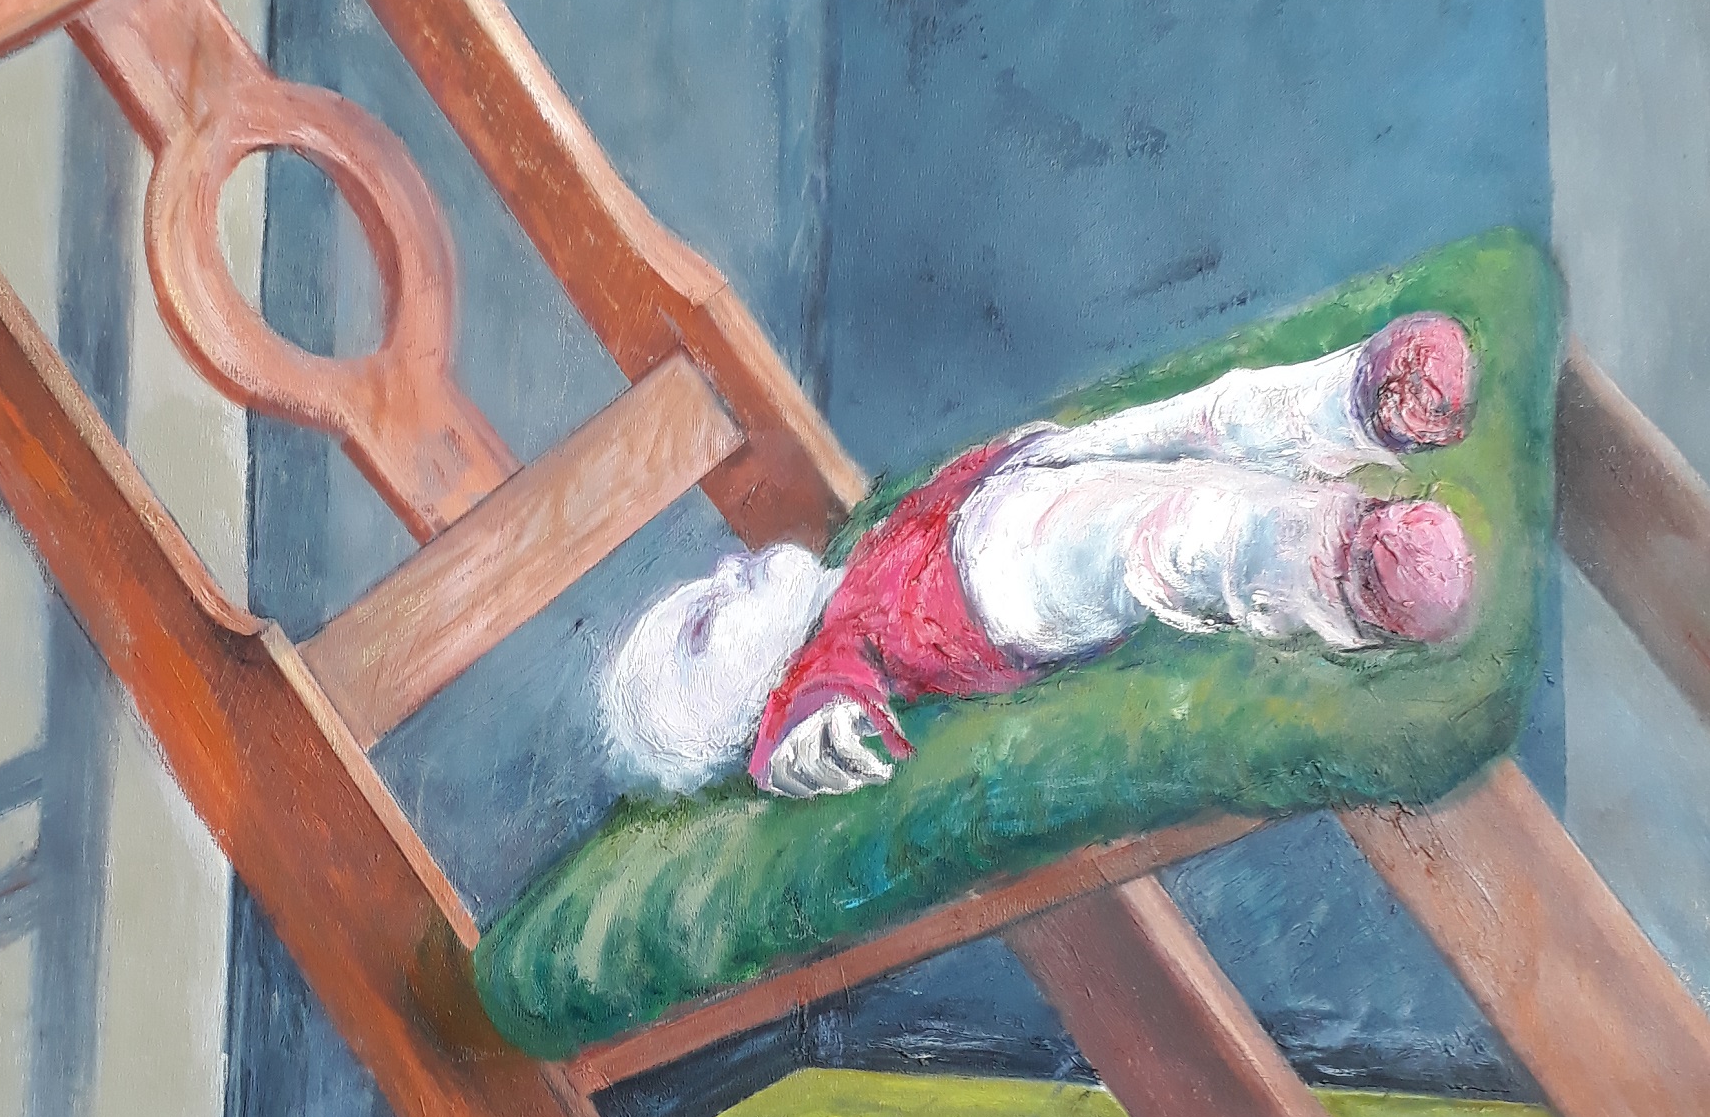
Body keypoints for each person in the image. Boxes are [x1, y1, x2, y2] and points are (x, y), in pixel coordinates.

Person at [601, 312, 1478, 801]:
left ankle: (1363, 398)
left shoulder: (849, 560)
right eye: (702, 629)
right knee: (1165, 536)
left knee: (1207, 420)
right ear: (744, 708)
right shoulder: (823, 658)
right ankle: (1348, 567)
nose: (723, 573)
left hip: (1014, 478)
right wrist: (791, 738)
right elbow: (817, 709)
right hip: (996, 587)